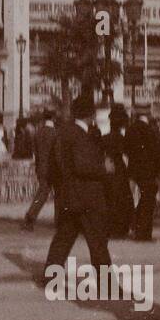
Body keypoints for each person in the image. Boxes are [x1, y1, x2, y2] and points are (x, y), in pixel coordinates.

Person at [43, 94, 115, 277]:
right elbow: (82, 165)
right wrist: (103, 167)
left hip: (69, 195)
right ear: (91, 115)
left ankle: (50, 275)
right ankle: (106, 284)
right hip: (87, 195)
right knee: (97, 241)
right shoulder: (80, 135)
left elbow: (55, 165)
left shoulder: (64, 132)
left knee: (64, 237)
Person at [124, 105, 160, 241]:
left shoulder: (130, 129)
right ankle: (143, 233)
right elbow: (157, 153)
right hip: (149, 172)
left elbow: (126, 149)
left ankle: (136, 226)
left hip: (134, 170)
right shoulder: (151, 131)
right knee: (148, 201)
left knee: (139, 200)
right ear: (148, 114)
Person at [22, 109, 57, 231]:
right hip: (54, 169)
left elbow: (35, 152)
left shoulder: (38, 132)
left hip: (41, 167)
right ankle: (57, 220)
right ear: (53, 118)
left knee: (41, 194)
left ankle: (30, 217)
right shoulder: (55, 133)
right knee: (57, 194)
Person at [105, 104, 134, 239]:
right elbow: (126, 152)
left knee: (110, 197)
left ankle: (110, 226)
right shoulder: (121, 138)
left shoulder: (106, 138)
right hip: (119, 168)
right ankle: (121, 227)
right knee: (122, 197)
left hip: (109, 168)